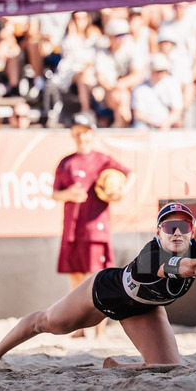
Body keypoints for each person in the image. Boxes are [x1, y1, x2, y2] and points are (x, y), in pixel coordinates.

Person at [0, 202, 196, 372]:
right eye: (169, 227)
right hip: (105, 292)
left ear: (193, 233)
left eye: (183, 226)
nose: (176, 232)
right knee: (48, 322)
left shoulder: (193, 248)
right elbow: (195, 268)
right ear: (158, 232)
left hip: (143, 309)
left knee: (167, 368)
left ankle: (115, 368)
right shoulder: (151, 255)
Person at [53, 113, 132, 338]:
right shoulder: (66, 162)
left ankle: (100, 330)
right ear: (72, 134)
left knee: (98, 279)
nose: (81, 137)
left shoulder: (102, 160)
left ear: (92, 134)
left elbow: (129, 174)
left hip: (96, 228)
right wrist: (67, 194)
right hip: (72, 228)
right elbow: (54, 194)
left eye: (85, 132)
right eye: (77, 133)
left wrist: (121, 192)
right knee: (76, 279)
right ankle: (79, 328)